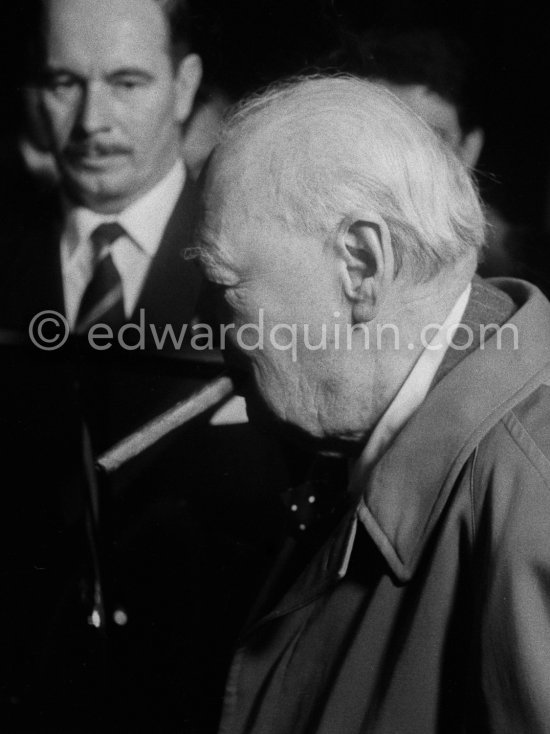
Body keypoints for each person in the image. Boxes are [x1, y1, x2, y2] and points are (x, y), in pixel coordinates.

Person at [193, 75, 550, 732]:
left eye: (222, 283)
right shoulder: (363, 427)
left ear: (360, 264)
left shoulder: (534, 500)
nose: (199, 318)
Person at [0, 0, 203, 340]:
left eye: (127, 84)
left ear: (184, 87)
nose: (91, 121)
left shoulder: (249, 263)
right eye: (63, 83)